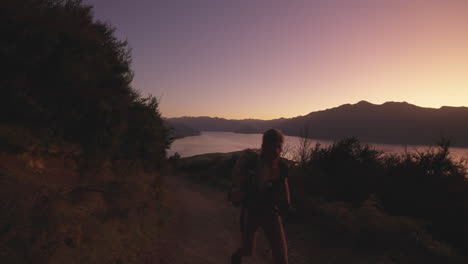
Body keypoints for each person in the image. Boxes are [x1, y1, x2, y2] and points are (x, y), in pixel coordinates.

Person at [230, 128, 291, 264]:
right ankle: (236, 257)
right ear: (264, 147)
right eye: (272, 147)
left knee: (281, 258)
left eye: (278, 147)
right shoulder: (251, 165)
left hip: (271, 214)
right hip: (251, 212)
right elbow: (236, 192)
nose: (276, 151)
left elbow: (285, 189)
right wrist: (238, 193)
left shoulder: (282, 167)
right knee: (248, 250)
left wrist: (286, 204)